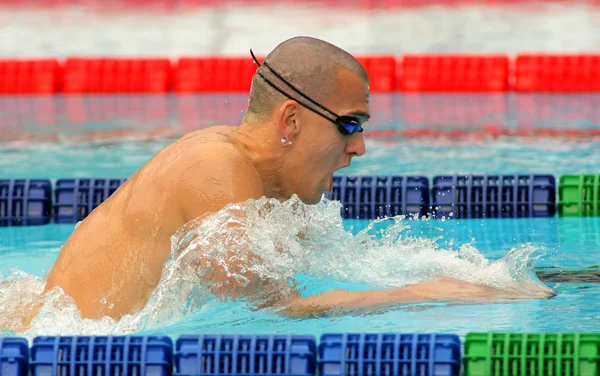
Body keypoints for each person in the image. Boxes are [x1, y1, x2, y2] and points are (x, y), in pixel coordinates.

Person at [32, 36, 550, 325]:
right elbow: (270, 306)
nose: (359, 147)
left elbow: (339, 270)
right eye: (350, 124)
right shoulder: (216, 169)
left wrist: (490, 280)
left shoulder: (276, 186)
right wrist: (429, 292)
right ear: (291, 121)